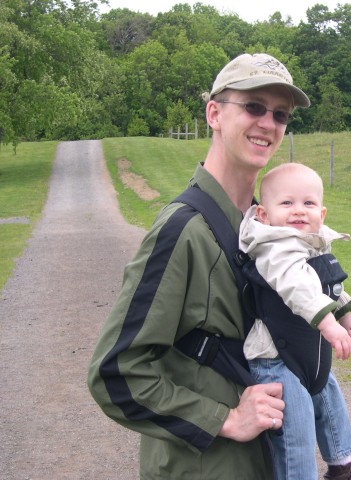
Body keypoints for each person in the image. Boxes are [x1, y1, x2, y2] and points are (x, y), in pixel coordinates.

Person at [87, 53, 310, 479]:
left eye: (280, 114)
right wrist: (225, 419)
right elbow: (114, 373)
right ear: (214, 114)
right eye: (254, 106)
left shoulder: (269, 229)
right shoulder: (182, 231)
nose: (268, 123)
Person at [239, 162, 351, 480]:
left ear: (322, 213)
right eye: (287, 203)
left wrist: (346, 313)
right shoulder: (276, 248)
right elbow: (298, 287)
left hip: (305, 353)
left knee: (329, 397)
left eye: (308, 203)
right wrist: (328, 323)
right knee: (296, 430)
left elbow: (327, 284)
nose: (299, 211)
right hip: (275, 358)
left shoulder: (313, 244)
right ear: (264, 214)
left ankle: (343, 466)